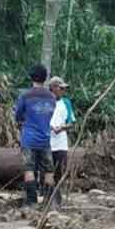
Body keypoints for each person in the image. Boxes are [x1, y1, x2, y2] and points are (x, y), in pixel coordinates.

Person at [13, 64, 56, 206]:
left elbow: (18, 115)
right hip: (46, 139)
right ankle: (49, 202)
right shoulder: (51, 97)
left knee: (29, 169)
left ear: (31, 77)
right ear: (45, 78)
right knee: (49, 171)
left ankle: (31, 202)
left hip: (29, 139)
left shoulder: (25, 96)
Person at [48, 76, 74, 207]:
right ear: (53, 88)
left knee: (59, 172)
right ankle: (48, 199)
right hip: (47, 142)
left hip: (61, 143)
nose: (63, 90)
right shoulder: (45, 102)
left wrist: (62, 127)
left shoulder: (66, 103)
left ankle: (57, 200)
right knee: (47, 172)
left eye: (64, 88)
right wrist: (51, 127)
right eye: (61, 88)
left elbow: (71, 122)